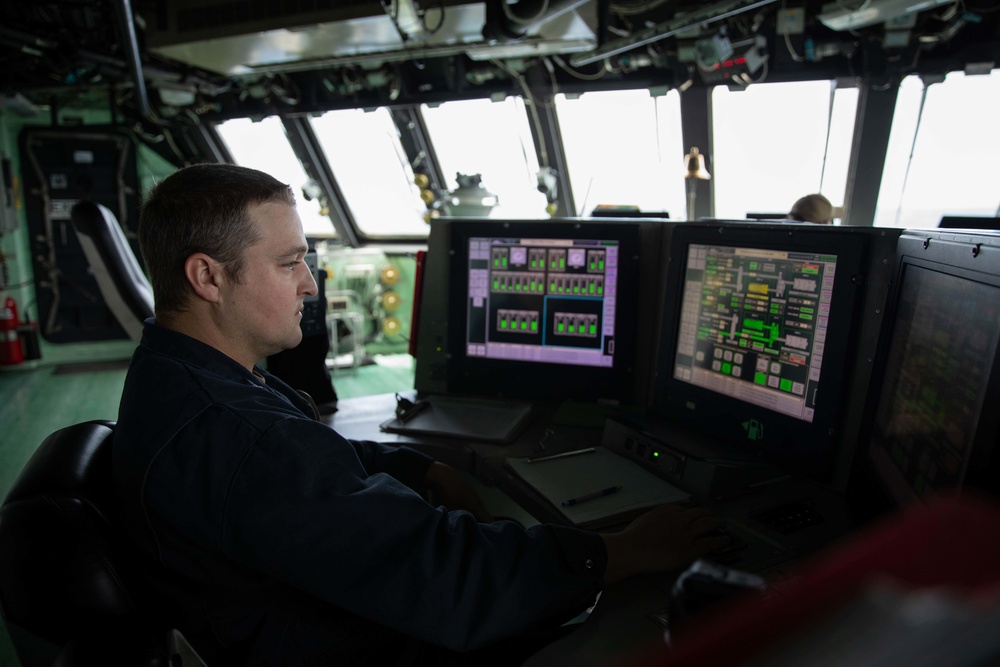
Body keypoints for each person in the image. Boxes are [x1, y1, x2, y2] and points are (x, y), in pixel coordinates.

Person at [113, 163, 726, 665]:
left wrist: (420, 469)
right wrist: (622, 551)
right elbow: (452, 579)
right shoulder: (242, 436)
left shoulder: (179, 375)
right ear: (207, 277)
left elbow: (314, 460)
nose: (309, 284)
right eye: (288, 262)